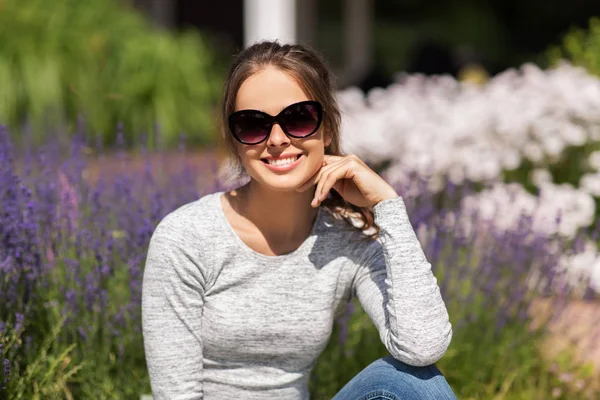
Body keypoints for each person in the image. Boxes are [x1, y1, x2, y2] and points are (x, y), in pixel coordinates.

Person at [141, 41, 456, 400]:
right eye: (252, 125)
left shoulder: (346, 241)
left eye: (298, 118)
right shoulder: (187, 238)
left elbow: (422, 347)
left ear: (326, 129)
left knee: (416, 383)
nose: (277, 139)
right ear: (234, 140)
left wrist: (388, 206)